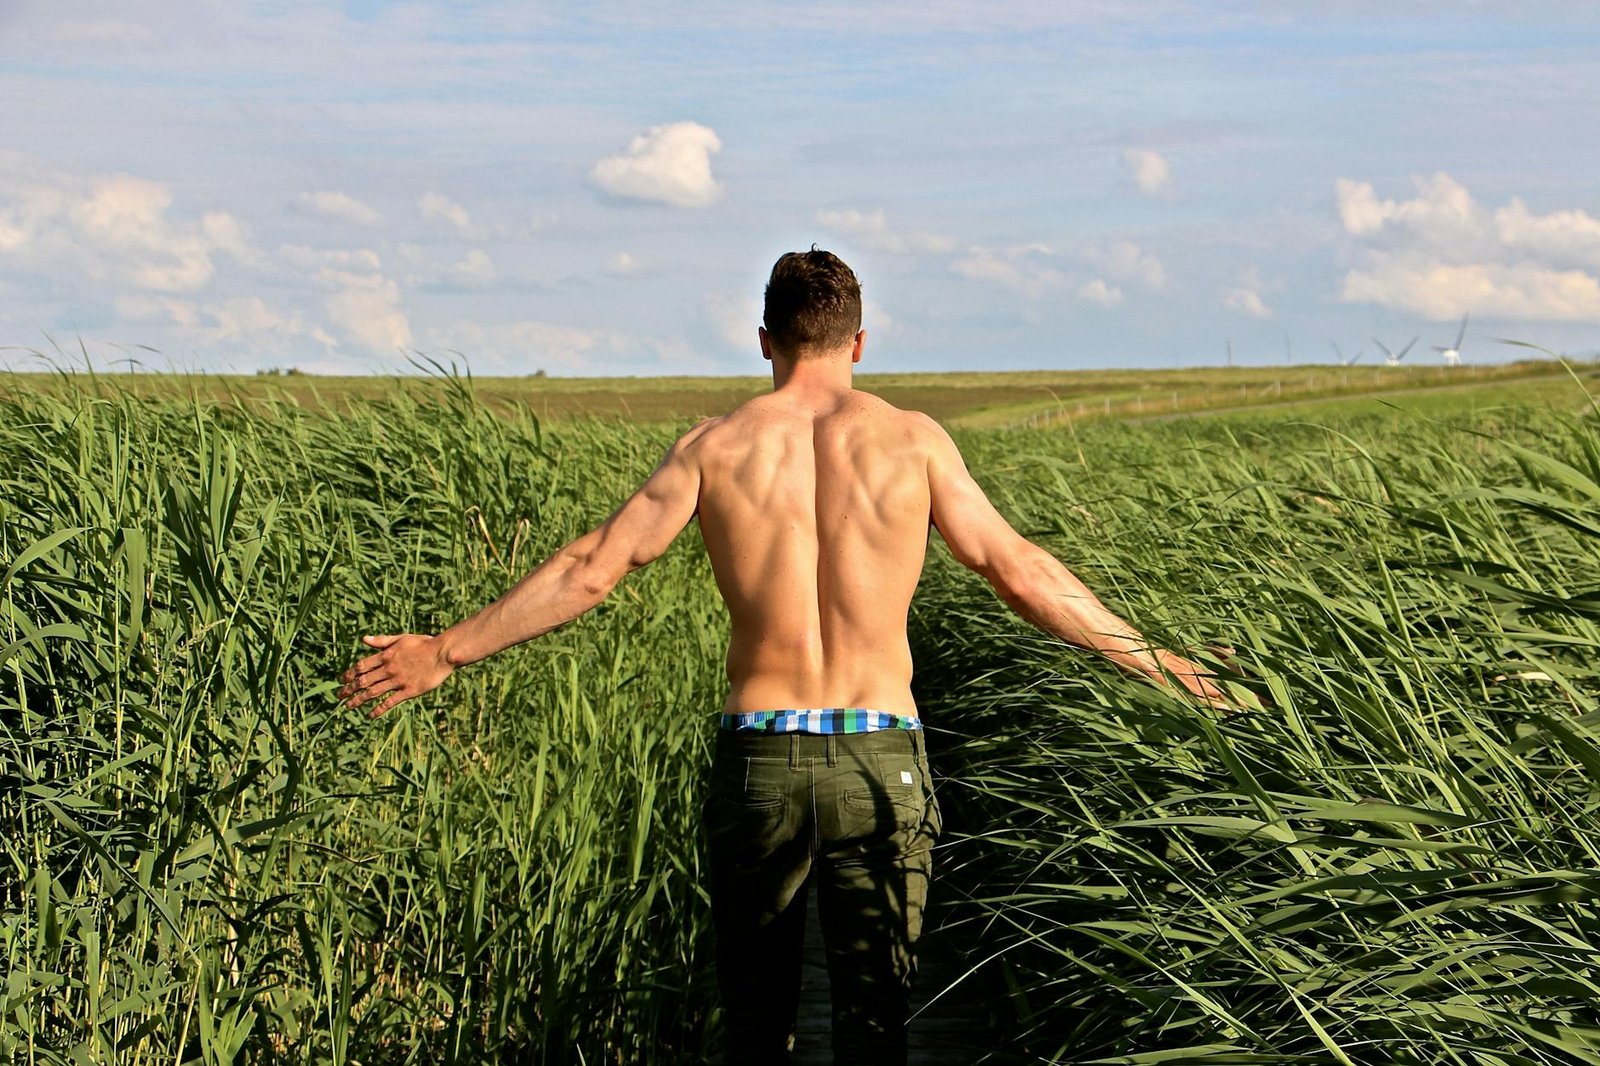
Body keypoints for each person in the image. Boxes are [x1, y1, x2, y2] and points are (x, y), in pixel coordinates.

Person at [340, 247, 1233, 1065]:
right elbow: (1018, 570)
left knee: (757, 1026)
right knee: (875, 1027)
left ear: (765, 338)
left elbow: (591, 569)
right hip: (880, 753)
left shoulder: (714, 447)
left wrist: (445, 651)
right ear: (859, 343)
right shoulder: (914, 442)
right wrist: (1165, 663)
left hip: (760, 755)